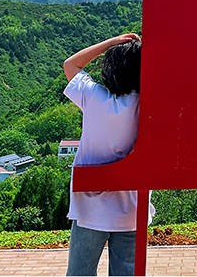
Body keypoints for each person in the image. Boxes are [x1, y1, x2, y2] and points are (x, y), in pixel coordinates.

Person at [62, 33, 155, 276]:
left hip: (90, 208)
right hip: (132, 209)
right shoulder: (149, 105)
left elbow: (70, 64)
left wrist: (110, 43)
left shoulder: (93, 97)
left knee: (80, 273)